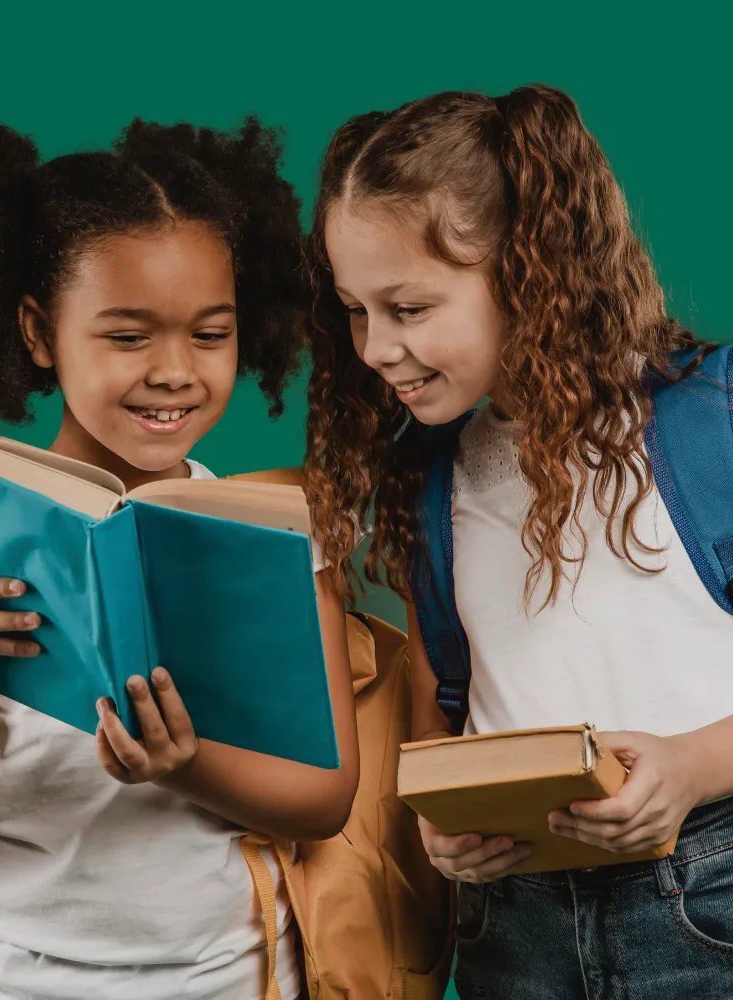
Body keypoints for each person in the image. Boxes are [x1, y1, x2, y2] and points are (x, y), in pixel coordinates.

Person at [0, 117, 358, 1000]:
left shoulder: (276, 532)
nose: (175, 372)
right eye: (127, 336)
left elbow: (326, 799)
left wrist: (184, 762)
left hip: (234, 984)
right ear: (40, 333)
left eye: (210, 334)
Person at [303, 84, 733, 997]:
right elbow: (436, 708)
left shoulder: (712, 426)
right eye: (355, 310)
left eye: (409, 308)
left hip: (707, 901)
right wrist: (440, 827)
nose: (375, 348)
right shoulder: (431, 480)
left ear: (528, 272)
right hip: (515, 928)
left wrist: (694, 766)